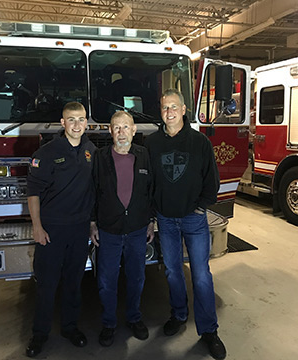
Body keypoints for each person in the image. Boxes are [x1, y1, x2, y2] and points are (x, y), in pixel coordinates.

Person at [144, 89, 226, 360]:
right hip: (165, 219)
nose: (169, 112)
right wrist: (153, 213)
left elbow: (211, 179)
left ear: (183, 110)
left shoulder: (200, 142)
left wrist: (201, 205)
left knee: (201, 275)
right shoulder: (151, 143)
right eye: (164, 107)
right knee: (172, 272)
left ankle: (209, 331)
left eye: (174, 107)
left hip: (194, 218)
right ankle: (178, 315)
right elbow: (149, 182)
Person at [25, 102, 96, 358]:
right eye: (71, 120)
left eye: (81, 119)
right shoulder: (46, 152)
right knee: (47, 285)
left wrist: (91, 223)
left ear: (86, 122)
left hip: (78, 230)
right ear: (62, 123)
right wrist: (37, 227)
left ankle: (70, 328)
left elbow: (93, 192)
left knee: (74, 283)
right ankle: (39, 334)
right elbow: (33, 192)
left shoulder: (91, 151)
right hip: (51, 230)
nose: (77, 125)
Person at [90, 110, 154, 347]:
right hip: (109, 230)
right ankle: (109, 323)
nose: (121, 132)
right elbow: (93, 191)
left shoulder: (144, 155)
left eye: (125, 127)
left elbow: (150, 191)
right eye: (116, 127)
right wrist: (93, 222)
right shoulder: (99, 157)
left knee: (137, 277)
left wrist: (150, 220)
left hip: (138, 229)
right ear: (110, 131)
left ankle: (134, 317)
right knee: (107, 280)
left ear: (134, 130)